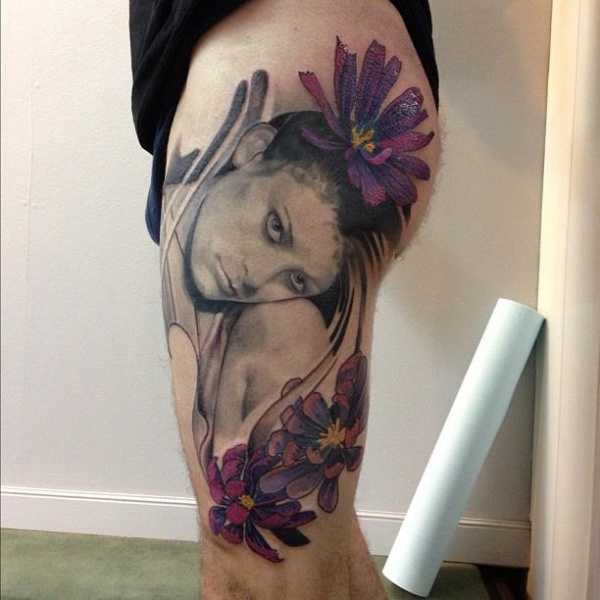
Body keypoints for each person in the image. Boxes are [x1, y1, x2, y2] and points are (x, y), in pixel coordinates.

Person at [130, 2, 440, 598]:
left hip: (287, 32)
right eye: (275, 229)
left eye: (298, 282)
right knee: (319, 547)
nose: (258, 283)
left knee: (255, 568)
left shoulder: (276, 320)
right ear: (251, 149)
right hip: (275, 49)